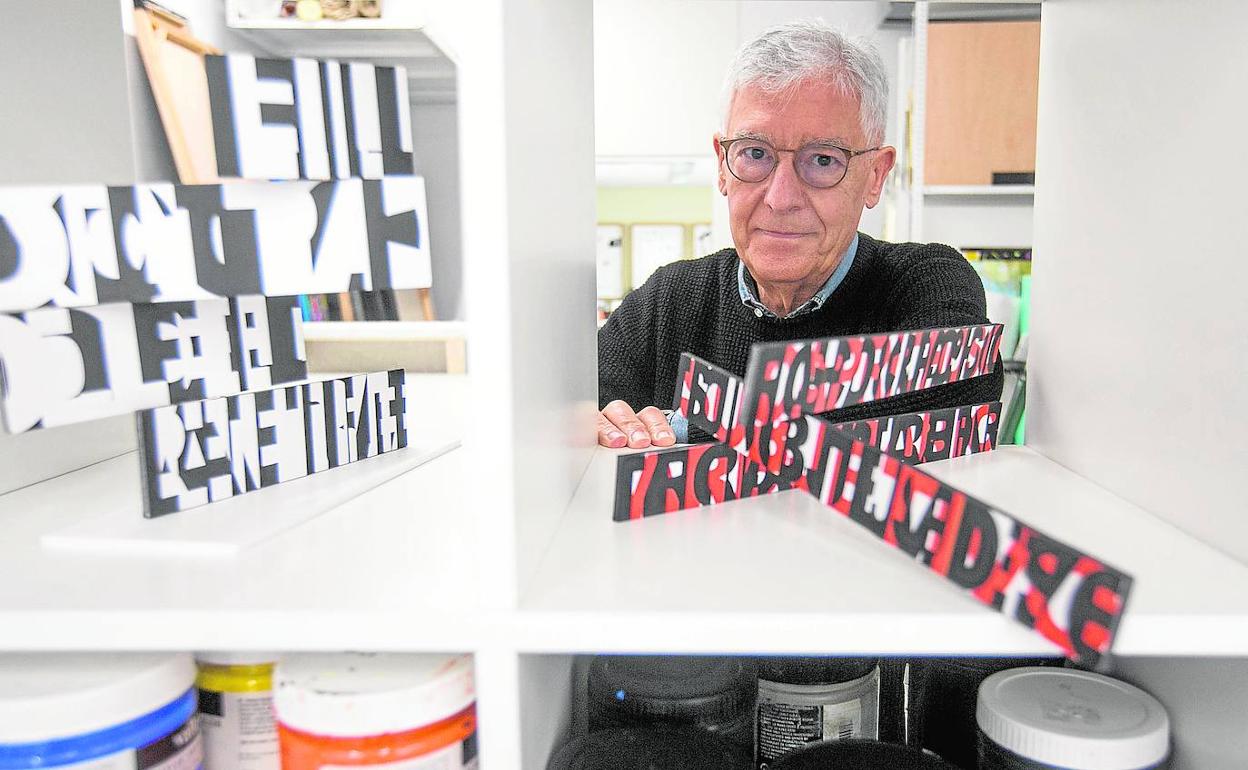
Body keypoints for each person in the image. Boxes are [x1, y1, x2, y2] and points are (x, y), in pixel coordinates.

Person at [597, 20, 1004, 449]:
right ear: (722, 164)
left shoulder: (924, 283)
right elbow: (562, 415)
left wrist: (677, 426)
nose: (781, 197)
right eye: (755, 154)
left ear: (875, 176)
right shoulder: (669, 299)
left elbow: (936, 419)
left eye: (824, 160)